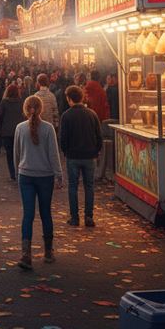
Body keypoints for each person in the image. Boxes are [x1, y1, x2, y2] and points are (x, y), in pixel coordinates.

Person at [14, 95, 63, 270]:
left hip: (25, 174)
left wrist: (17, 171)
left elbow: (17, 154)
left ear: (26, 109)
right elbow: (53, 154)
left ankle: (26, 254)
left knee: (28, 214)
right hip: (45, 176)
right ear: (41, 109)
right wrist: (58, 174)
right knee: (45, 212)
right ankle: (48, 251)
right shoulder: (48, 129)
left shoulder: (20, 128)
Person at [59, 85, 103, 228]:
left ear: (69, 99)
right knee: (89, 186)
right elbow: (99, 136)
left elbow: (63, 138)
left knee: (73, 186)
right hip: (89, 155)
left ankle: (75, 217)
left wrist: (65, 151)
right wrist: (96, 150)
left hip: (73, 156)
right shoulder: (92, 114)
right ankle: (89, 216)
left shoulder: (66, 116)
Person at [0, 83, 25, 181]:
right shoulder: (21, 102)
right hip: (19, 131)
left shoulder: (4, 102)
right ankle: (20, 171)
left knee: (10, 153)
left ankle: (13, 173)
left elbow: (0, 116)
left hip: (7, 131)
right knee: (19, 153)